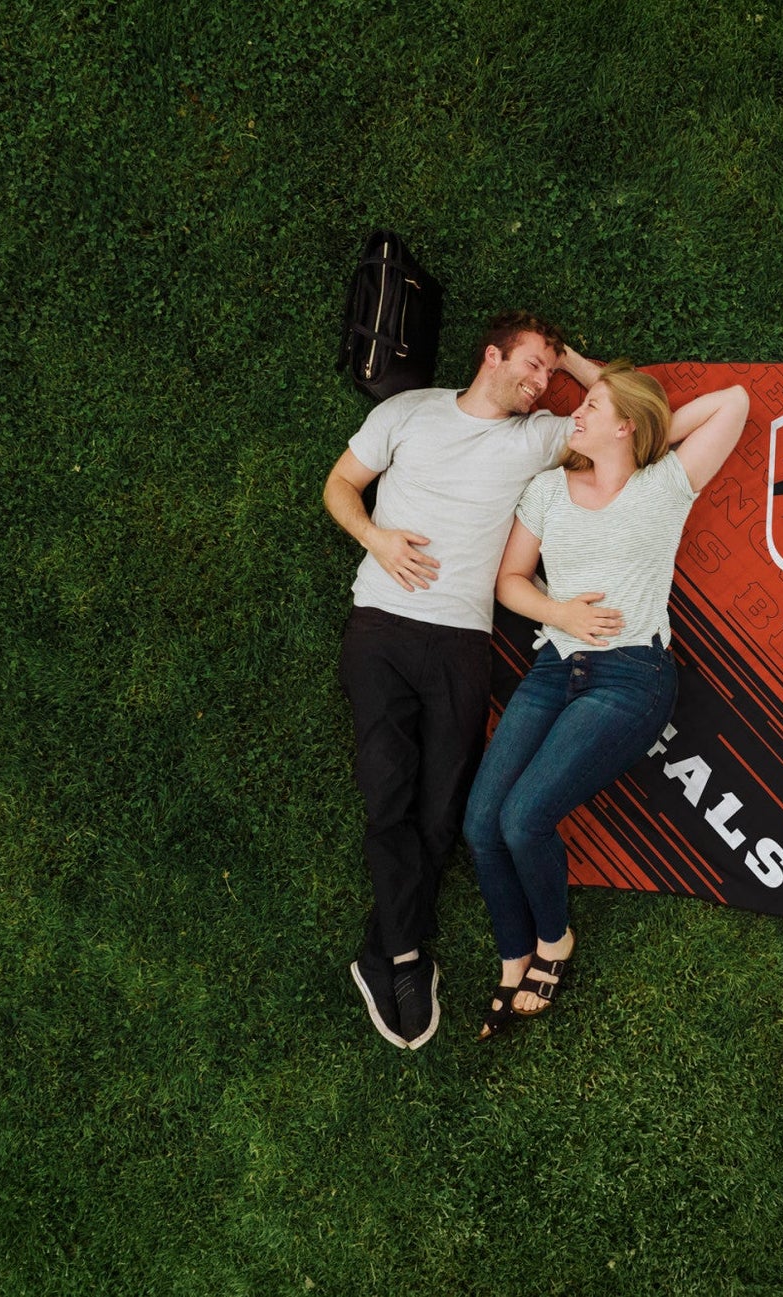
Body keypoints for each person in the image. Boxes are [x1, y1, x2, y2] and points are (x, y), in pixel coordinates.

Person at [323, 311, 603, 1051]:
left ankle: (383, 951)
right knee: (388, 792)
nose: (543, 384)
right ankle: (404, 959)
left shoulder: (538, 437)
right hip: (381, 627)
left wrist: (574, 360)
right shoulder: (408, 412)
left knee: (442, 810)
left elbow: (633, 411)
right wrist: (375, 536)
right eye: (534, 364)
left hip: (462, 643)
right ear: (491, 356)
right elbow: (341, 484)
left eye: (551, 372)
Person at [462, 362, 749, 1041]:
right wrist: (560, 611)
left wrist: (636, 424)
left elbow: (734, 402)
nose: (577, 412)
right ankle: (513, 954)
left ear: (626, 426)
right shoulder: (547, 490)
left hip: (631, 678)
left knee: (523, 818)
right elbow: (510, 580)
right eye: (581, 403)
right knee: (480, 824)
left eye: (592, 406)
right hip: (554, 669)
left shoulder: (664, 484)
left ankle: (553, 941)